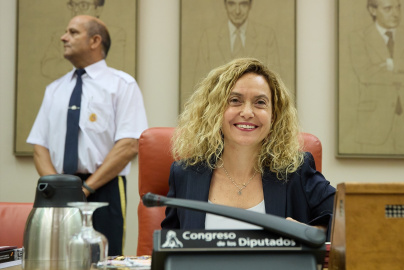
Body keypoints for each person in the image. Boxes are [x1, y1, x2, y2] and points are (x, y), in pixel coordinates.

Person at [161, 58, 336, 238]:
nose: (247, 112)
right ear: (215, 111)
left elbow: (348, 220)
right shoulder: (185, 175)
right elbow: (168, 249)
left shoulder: (297, 171)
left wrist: (312, 233)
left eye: (260, 102)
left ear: (273, 116)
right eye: (235, 100)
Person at [27, 15, 148, 256]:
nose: (64, 37)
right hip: (57, 190)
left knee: (104, 258)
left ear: (95, 41)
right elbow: (39, 147)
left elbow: (129, 145)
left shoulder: (122, 85)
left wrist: (85, 189)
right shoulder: (55, 89)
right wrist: (61, 187)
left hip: (104, 189)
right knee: (55, 257)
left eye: (72, 32)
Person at [349, 0, 404, 154]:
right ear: (372, 10)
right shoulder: (359, 37)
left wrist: (393, 64)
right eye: (388, 8)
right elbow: (365, 74)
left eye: (398, 7)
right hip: (374, 122)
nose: (395, 13)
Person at [194, 0, 280, 92]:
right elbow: (199, 87)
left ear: (250, 5)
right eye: (232, 4)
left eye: (243, 4)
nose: (237, 11)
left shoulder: (267, 36)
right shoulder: (209, 37)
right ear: (225, 5)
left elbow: (276, 86)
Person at [41, 0, 126, 80]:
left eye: (83, 5)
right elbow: (47, 67)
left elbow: (115, 64)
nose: (76, 10)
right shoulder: (54, 89)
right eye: (73, 5)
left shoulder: (115, 34)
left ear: (98, 10)